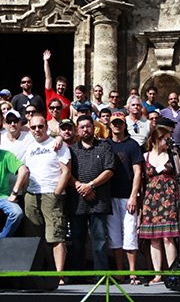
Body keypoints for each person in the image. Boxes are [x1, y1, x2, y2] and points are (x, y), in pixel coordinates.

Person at [22, 114, 71, 276]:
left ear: (46, 127)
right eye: (33, 127)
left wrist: (57, 193)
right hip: (32, 194)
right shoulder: (29, 147)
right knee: (34, 236)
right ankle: (39, 272)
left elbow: (66, 171)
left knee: (56, 235)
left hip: (51, 193)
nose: (37, 130)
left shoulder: (58, 145)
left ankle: (59, 275)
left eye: (40, 126)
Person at [67, 115, 114, 273]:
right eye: (82, 127)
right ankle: (78, 276)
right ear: (77, 130)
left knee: (100, 241)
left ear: (94, 128)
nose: (85, 130)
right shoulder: (71, 150)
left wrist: (91, 185)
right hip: (77, 202)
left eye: (88, 126)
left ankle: (101, 275)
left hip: (99, 201)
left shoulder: (104, 147)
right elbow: (66, 173)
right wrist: (81, 188)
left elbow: (109, 170)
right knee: (77, 241)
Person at [139, 124, 179, 285]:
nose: (167, 142)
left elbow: (179, 175)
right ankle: (157, 273)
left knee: (168, 237)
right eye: (165, 139)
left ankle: (172, 271)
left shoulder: (172, 155)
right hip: (152, 198)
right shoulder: (146, 156)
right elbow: (143, 178)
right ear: (157, 139)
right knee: (154, 238)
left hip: (168, 196)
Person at [106, 112, 143, 285]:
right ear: (110, 125)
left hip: (127, 196)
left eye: (120, 123)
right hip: (110, 196)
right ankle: (120, 272)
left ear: (124, 125)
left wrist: (134, 196)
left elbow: (138, 172)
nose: (117, 125)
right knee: (114, 236)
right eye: (114, 123)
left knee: (130, 234)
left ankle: (132, 273)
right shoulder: (105, 144)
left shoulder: (132, 145)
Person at [42, 50, 69, 121]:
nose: (61, 87)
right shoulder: (50, 94)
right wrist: (46, 61)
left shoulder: (68, 102)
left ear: (66, 87)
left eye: (63, 85)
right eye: (59, 85)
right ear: (56, 85)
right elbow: (48, 77)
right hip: (50, 124)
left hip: (62, 125)